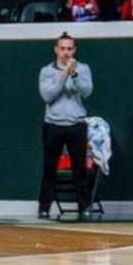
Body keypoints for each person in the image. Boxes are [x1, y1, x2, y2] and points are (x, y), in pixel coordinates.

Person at [37, 33, 94, 219]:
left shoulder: (83, 68)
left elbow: (87, 91)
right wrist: (63, 77)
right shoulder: (46, 71)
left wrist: (74, 74)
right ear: (56, 49)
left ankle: (84, 208)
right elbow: (47, 96)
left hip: (77, 125)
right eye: (63, 48)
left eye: (69, 49)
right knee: (49, 168)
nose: (66, 53)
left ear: (74, 50)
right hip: (53, 125)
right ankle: (44, 208)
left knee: (80, 169)